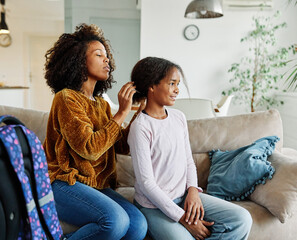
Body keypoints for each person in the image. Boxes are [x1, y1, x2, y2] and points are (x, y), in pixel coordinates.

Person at [127, 56, 253, 240]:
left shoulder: (178, 117)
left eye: (178, 84)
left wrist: (193, 191)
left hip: (185, 197)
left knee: (241, 219)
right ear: (151, 86)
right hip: (153, 206)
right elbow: (147, 184)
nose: (177, 90)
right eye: (172, 83)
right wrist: (183, 218)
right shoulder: (140, 127)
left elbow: (187, 161)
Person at [43, 23, 147, 240]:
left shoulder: (102, 105)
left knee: (138, 226)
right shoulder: (66, 98)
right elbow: (89, 149)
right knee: (115, 221)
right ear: (79, 61)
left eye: (106, 55)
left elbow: (122, 146)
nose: (106, 59)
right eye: (99, 54)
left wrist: (140, 112)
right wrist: (122, 113)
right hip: (63, 182)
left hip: (97, 185)